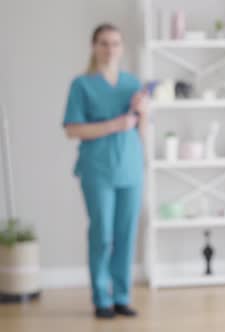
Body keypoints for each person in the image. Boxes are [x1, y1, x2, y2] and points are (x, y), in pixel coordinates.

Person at [62, 23, 147, 319]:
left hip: (131, 168)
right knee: (103, 235)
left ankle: (122, 297)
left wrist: (144, 113)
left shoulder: (132, 84)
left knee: (126, 234)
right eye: (103, 43)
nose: (110, 49)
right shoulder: (81, 85)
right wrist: (114, 125)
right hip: (97, 169)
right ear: (93, 46)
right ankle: (102, 298)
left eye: (115, 43)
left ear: (122, 48)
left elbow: (141, 133)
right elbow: (72, 130)